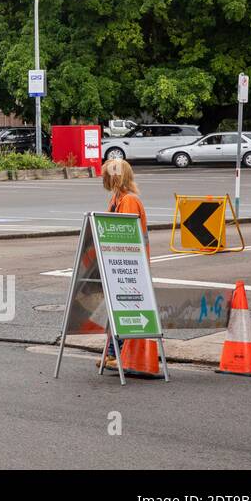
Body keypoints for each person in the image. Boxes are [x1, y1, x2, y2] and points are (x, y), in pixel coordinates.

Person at [100, 157, 149, 369]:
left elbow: (125, 236)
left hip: (130, 266)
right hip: (121, 265)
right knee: (117, 309)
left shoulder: (128, 201)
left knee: (124, 308)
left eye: (108, 174)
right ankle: (113, 354)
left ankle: (118, 354)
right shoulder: (116, 199)